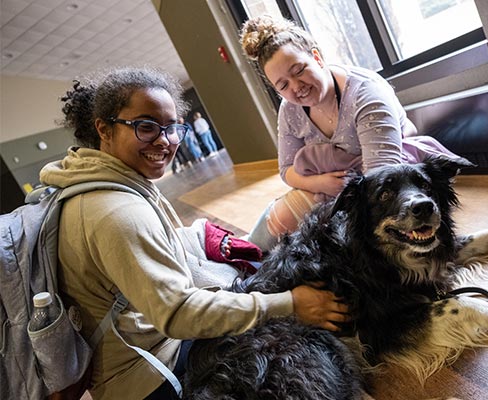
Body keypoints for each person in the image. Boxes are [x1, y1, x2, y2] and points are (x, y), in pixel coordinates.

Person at [41, 66, 349, 399]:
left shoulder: (107, 180)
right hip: (148, 373)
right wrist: (289, 304)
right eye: (146, 127)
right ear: (104, 129)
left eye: (172, 128)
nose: (164, 140)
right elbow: (178, 314)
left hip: (155, 343)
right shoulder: (116, 212)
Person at [239, 15, 460, 251]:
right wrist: (320, 183)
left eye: (299, 70)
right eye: (283, 85)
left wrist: (338, 190)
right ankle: (241, 251)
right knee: (277, 222)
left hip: (388, 183)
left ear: (317, 57)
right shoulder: (290, 111)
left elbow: (381, 174)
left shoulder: (365, 94)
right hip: (333, 183)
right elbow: (286, 171)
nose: (296, 86)